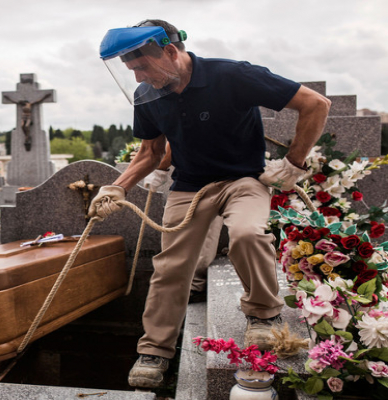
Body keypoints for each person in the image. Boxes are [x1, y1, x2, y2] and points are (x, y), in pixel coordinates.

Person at [90, 19, 331, 388]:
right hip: (189, 186)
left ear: (170, 51)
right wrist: (117, 187)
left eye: (141, 66)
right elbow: (150, 151)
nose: (138, 77)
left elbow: (315, 104)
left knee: (248, 233)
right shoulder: (147, 95)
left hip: (244, 179)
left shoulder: (233, 75)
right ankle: (155, 349)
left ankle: (264, 316)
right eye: (130, 70)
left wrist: (293, 163)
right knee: (171, 265)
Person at [146, 140, 224, 303]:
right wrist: (159, 171)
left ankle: (194, 287)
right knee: (174, 234)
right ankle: (177, 285)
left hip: (215, 181)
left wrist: (160, 170)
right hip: (186, 182)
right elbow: (173, 141)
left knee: (206, 235)